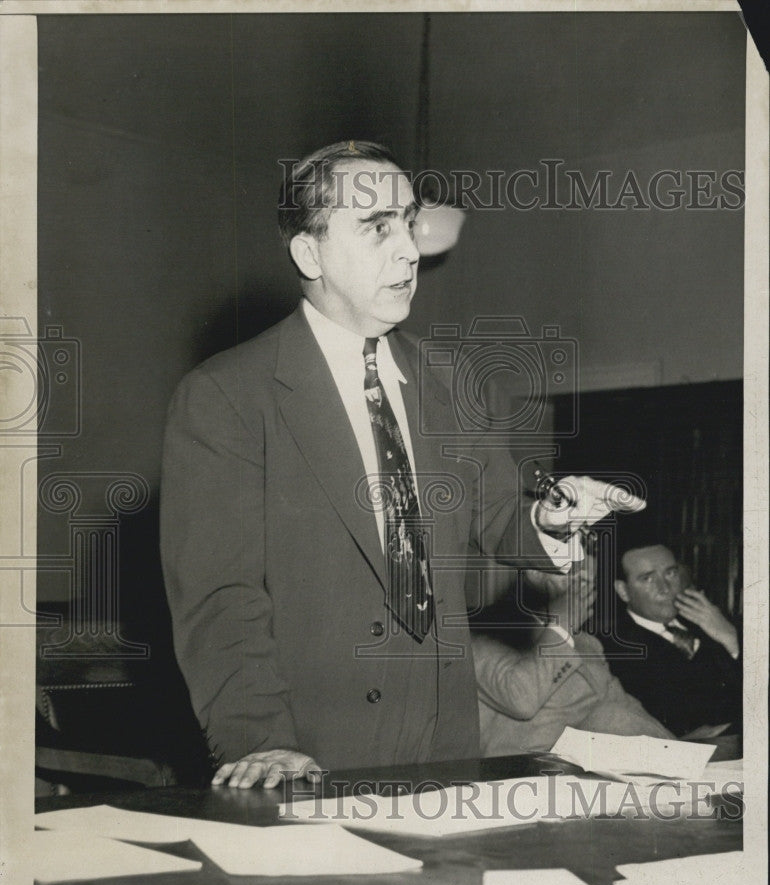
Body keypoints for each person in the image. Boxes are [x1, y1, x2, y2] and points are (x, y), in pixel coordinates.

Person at [160, 140, 644, 788]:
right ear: (309, 252)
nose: (411, 251)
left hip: (446, 742)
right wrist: (259, 741)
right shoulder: (227, 396)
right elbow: (221, 599)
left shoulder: (451, 380)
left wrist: (551, 517)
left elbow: (498, 515)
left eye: (409, 223)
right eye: (376, 227)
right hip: (308, 753)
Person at [473, 556, 672, 755]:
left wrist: (682, 748)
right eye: (574, 571)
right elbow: (521, 700)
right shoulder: (487, 631)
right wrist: (561, 627)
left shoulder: (586, 643)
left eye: (590, 577)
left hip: (582, 771)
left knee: (616, 716)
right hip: (518, 774)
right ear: (535, 573)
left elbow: (624, 708)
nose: (585, 583)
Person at [600, 539, 742, 737]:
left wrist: (732, 640)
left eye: (670, 573)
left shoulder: (717, 622)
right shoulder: (611, 648)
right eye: (648, 578)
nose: (665, 587)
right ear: (623, 591)